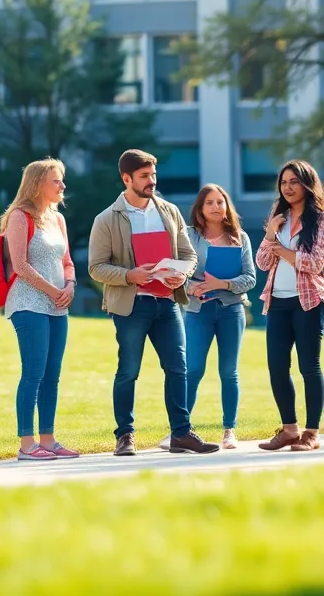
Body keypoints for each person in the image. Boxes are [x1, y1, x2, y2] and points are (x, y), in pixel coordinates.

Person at [87, 149, 219, 456]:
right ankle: (125, 436)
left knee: (178, 368)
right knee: (129, 371)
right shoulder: (107, 219)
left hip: (167, 303)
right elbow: (96, 267)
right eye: (145, 176)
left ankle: (182, 434)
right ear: (126, 178)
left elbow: (188, 256)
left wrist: (181, 275)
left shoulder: (169, 212)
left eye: (153, 175)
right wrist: (130, 275)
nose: (151, 181)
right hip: (131, 306)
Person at [256, 160, 324, 453]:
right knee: (277, 366)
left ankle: (311, 433)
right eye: (284, 182)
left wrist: (284, 251)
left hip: (309, 300)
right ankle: (290, 430)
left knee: (309, 366)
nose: (287, 188)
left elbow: (315, 264)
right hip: (278, 299)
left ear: (307, 184)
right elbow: (262, 263)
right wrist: (269, 235)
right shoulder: (278, 217)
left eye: (294, 182)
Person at [3, 159, 79, 462]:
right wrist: (53, 291)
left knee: (52, 375)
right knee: (33, 373)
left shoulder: (58, 219)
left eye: (61, 180)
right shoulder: (19, 218)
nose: (62, 186)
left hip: (58, 305)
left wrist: (70, 286)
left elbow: (68, 261)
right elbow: (20, 265)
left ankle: (48, 439)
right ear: (37, 184)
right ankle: (27, 444)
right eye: (56, 181)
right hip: (28, 304)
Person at [170, 184, 257, 451]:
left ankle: (229, 430)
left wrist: (223, 284)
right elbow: (176, 274)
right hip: (198, 311)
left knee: (228, 372)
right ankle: (180, 431)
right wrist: (190, 286)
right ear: (200, 208)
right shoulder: (187, 236)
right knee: (193, 370)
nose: (216, 207)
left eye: (220, 202)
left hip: (231, 311)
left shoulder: (239, 237)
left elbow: (250, 278)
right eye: (210, 202)